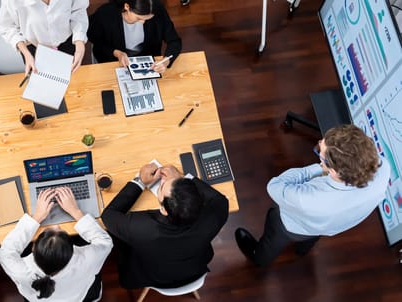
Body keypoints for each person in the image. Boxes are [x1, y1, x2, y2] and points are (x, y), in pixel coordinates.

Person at [235, 124, 391, 267]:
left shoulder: (309, 200)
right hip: (324, 226)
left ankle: (259, 258)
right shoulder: (383, 168)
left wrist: (317, 168)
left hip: (289, 225)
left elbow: (275, 186)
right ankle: (302, 250)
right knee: (311, 235)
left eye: (320, 154)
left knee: (271, 243)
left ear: (335, 171)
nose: (318, 149)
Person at [101, 163, 229, 289]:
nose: (163, 181)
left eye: (161, 186)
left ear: (164, 210)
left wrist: (140, 181)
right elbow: (220, 200)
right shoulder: (214, 217)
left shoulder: (142, 227)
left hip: (154, 277)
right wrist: (181, 178)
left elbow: (108, 216)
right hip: (194, 270)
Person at [0, 187, 113, 301]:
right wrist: (75, 211)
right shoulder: (87, 260)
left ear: (33, 248)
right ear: (71, 250)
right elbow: (104, 241)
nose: (56, 225)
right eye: (61, 231)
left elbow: (5, 252)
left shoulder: (21, 272)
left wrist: (36, 217)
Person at [88, 0, 182, 73]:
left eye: (147, 19)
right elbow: (96, 41)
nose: (142, 22)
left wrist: (166, 61)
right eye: (138, 18)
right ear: (127, 7)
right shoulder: (105, 14)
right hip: (112, 61)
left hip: (147, 62)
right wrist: (117, 53)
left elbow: (174, 41)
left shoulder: (158, 13)